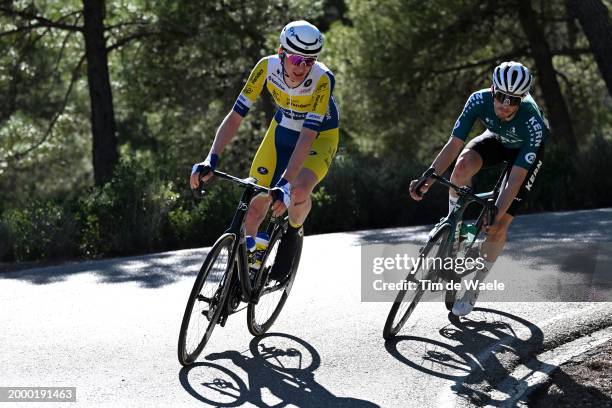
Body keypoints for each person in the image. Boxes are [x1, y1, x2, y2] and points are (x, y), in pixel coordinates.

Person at [190, 20, 339, 280]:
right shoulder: (265, 67)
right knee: (255, 203)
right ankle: (244, 273)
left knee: (298, 190)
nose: (303, 67)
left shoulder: (322, 79)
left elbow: (307, 136)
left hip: (318, 138)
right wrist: (210, 158)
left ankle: (292, 232)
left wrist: (285, 184)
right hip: (280, 131)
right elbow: (236, 116)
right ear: (281, 52)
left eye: (309, 60)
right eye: (296, 59)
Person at [409, 61, 549, 316]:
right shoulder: (477, 100)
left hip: (524, 153)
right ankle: (455, 229)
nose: (505, 104)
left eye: (513, 100)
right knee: (461, 167)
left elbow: (515, 179)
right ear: (493, 89)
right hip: (496, 139)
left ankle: (473, 287)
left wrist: (495, 211)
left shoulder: (533, 123)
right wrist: (428, 177)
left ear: (522, 99)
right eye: (500, 96)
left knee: (499, 225)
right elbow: (454, 143)